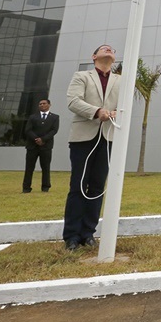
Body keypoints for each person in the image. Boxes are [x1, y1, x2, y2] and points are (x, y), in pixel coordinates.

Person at [63, 44, 120, 251]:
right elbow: (73, 101)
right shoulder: (82, 76)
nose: (109, 50)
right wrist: (97, 111)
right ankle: (71, 235)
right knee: (78, 185)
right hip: (83, 137)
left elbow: (124, 106)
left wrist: (114, 113)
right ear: (94, 56)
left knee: (97, 187)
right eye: (104, 48)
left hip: (107, 137)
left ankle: (88, 233)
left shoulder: (120, 80)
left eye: (112, 49)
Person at [22, 99, 59, 193]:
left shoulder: (54, 117)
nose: (42, 105)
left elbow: (54, 130)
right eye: (40, 104)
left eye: (44, 103)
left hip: (46, 147)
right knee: (29, 168)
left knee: (46, 167)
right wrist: (36, 139)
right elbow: (28, 130)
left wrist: (43, 139)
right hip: (32, 146)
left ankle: (45, 187)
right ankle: (26, 188)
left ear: (49, 105)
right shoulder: (33, 117)